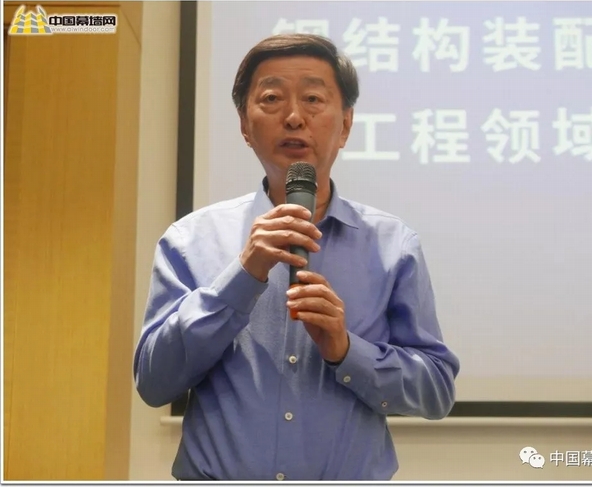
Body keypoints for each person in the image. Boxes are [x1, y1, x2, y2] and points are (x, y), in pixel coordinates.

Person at [133, 33, 460, 481]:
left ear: (345, 125)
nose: (293, 117)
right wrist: (241, 276)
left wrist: (347, 351)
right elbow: (154, 383)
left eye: (313, 99)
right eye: (271, 98)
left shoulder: (392, 244)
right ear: (244, 125)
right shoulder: (190, 239)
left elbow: (436, 390)